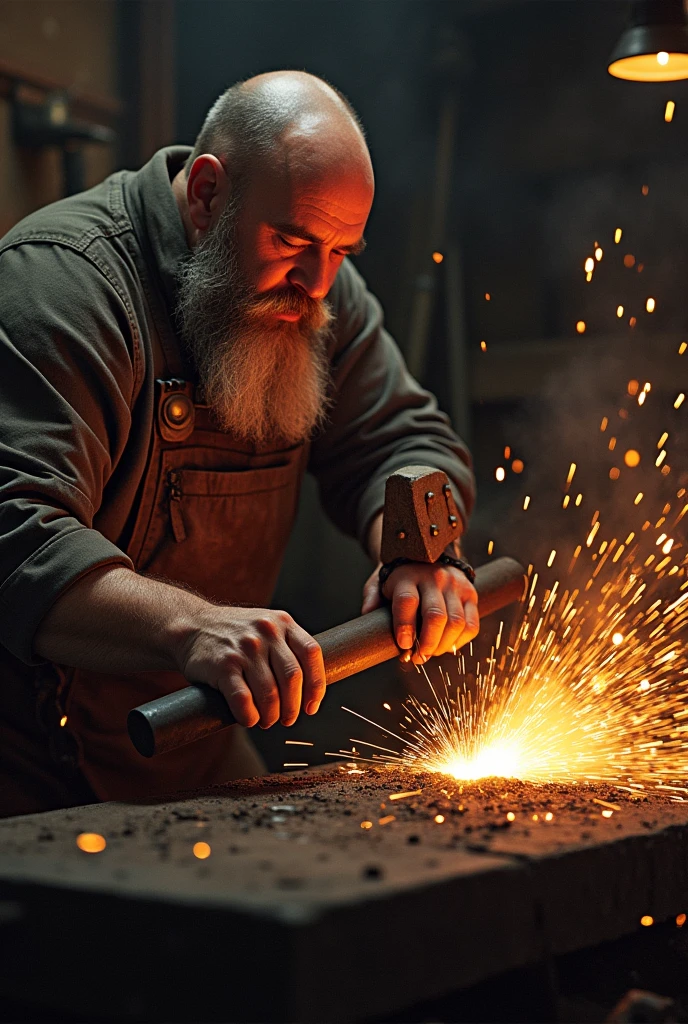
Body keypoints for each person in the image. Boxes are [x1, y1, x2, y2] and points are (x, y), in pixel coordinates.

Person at [0, 71, 477, 817]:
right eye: (290, 240)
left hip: (189, 737)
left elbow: (403, 439)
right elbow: (16, 536)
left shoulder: (319, 291)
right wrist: (192, 627)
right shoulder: (63, 284)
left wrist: (417, 550)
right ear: (207, 195)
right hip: (24, 756)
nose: (318, 284)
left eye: (342, 251)